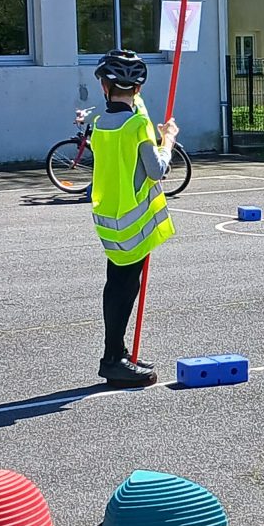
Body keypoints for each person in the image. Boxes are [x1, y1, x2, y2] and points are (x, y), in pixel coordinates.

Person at [90, 49, 178, 388]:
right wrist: (168, 139)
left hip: (108, 217)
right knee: (124, 289)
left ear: (104, 87)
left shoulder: (99, 125)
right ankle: (113, 360)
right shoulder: (137, 125)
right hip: (133, 222)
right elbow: (156, 170)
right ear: (138, 89)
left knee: (117, 285)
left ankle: (118, 353)